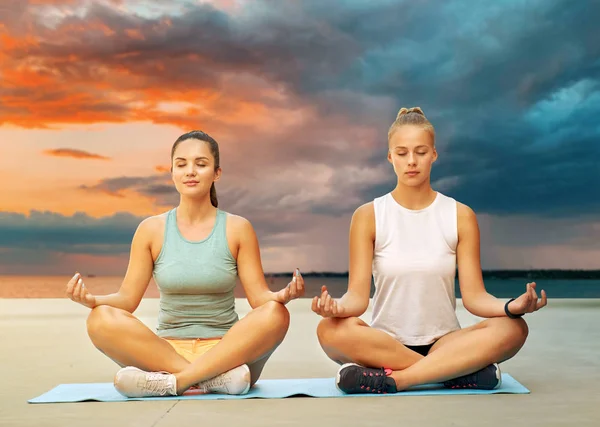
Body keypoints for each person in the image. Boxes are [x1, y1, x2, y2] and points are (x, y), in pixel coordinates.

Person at [312, 107, 547, 394]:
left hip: (446, 341)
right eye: (402, 153)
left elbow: (475, 297)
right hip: (385, 344)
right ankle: (453, 372)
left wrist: (511, 307)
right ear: (390, 157)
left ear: (434, 154)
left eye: (421, 152)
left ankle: (397, 380)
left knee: (513, 329)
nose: (411, 161)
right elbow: (357, 298)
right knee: (329, 330)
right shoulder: (368, 215)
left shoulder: (460, 215)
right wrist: (335, 308)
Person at [65, 130, 304, 397]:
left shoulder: (238, 228)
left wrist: (281, 296)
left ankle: (176, 382)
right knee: (100, 319)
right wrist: (92, 300)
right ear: (172, 173)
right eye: (182, 164)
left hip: (228, 352)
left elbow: (260, 299)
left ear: (217, 173)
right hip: (167, 352)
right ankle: (212, 380)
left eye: (200, 164)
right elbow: (127, 299)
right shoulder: (151, 230)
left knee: (276, 313)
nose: (190, 171)